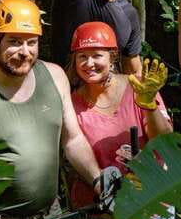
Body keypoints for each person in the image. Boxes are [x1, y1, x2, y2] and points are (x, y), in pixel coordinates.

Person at [0, 0, 105, 219]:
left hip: (50, 218)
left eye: (31, 42)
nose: (25, 52)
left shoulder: (54, 76)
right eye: (15, 41)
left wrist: (98, 180)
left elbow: (72, 139)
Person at [68, 22, 173, 207]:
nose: (89, 63)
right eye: (82, 57)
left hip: (151, 199)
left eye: (97, 56)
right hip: (98, 207)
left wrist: (149, 106)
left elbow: (165, 142)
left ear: (113, 57)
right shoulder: (72, 103)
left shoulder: (139, 86)